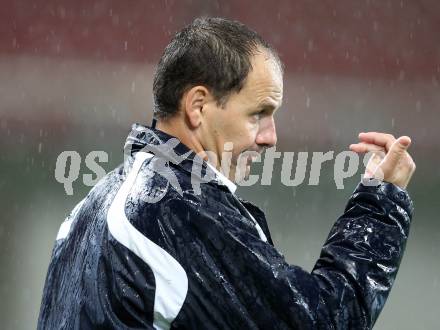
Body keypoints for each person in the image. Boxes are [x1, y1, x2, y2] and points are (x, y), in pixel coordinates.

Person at [38, 17, 416, 329]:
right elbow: (322, 322)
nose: (271, 138)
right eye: (259, 113)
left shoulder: (91, 207)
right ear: (198, 106)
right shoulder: (175, 207)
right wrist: (380, 204)